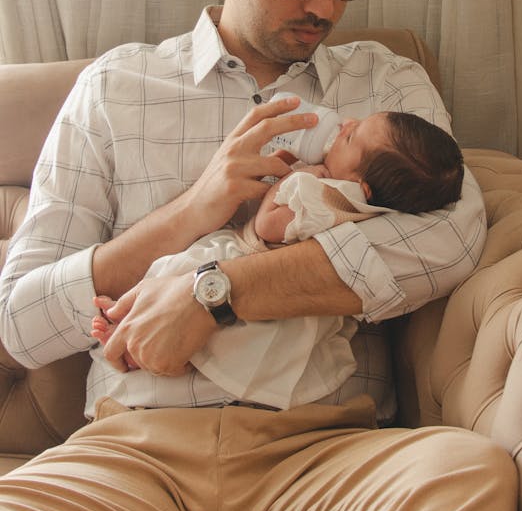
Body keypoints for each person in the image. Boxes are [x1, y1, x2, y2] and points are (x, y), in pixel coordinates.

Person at [0, 0, 517, 511]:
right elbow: (20, 321)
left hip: (316, 448)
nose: (325, 3)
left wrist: (218, 291)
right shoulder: (117, 89)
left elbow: (450, 234)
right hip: (135, 455)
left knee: (467, 475)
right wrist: (192, 212)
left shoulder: (386, 84)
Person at [91, 110, 465, 410]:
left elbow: (270, 227)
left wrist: (287, 181)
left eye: (351, 137)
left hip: (250, 261)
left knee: (176, 277)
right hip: (296, 308)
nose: (345, 125)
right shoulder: (364, 209)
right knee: (205, 326)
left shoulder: (319, 190)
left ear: (361, 184)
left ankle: (125, 321)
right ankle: (134, 329)